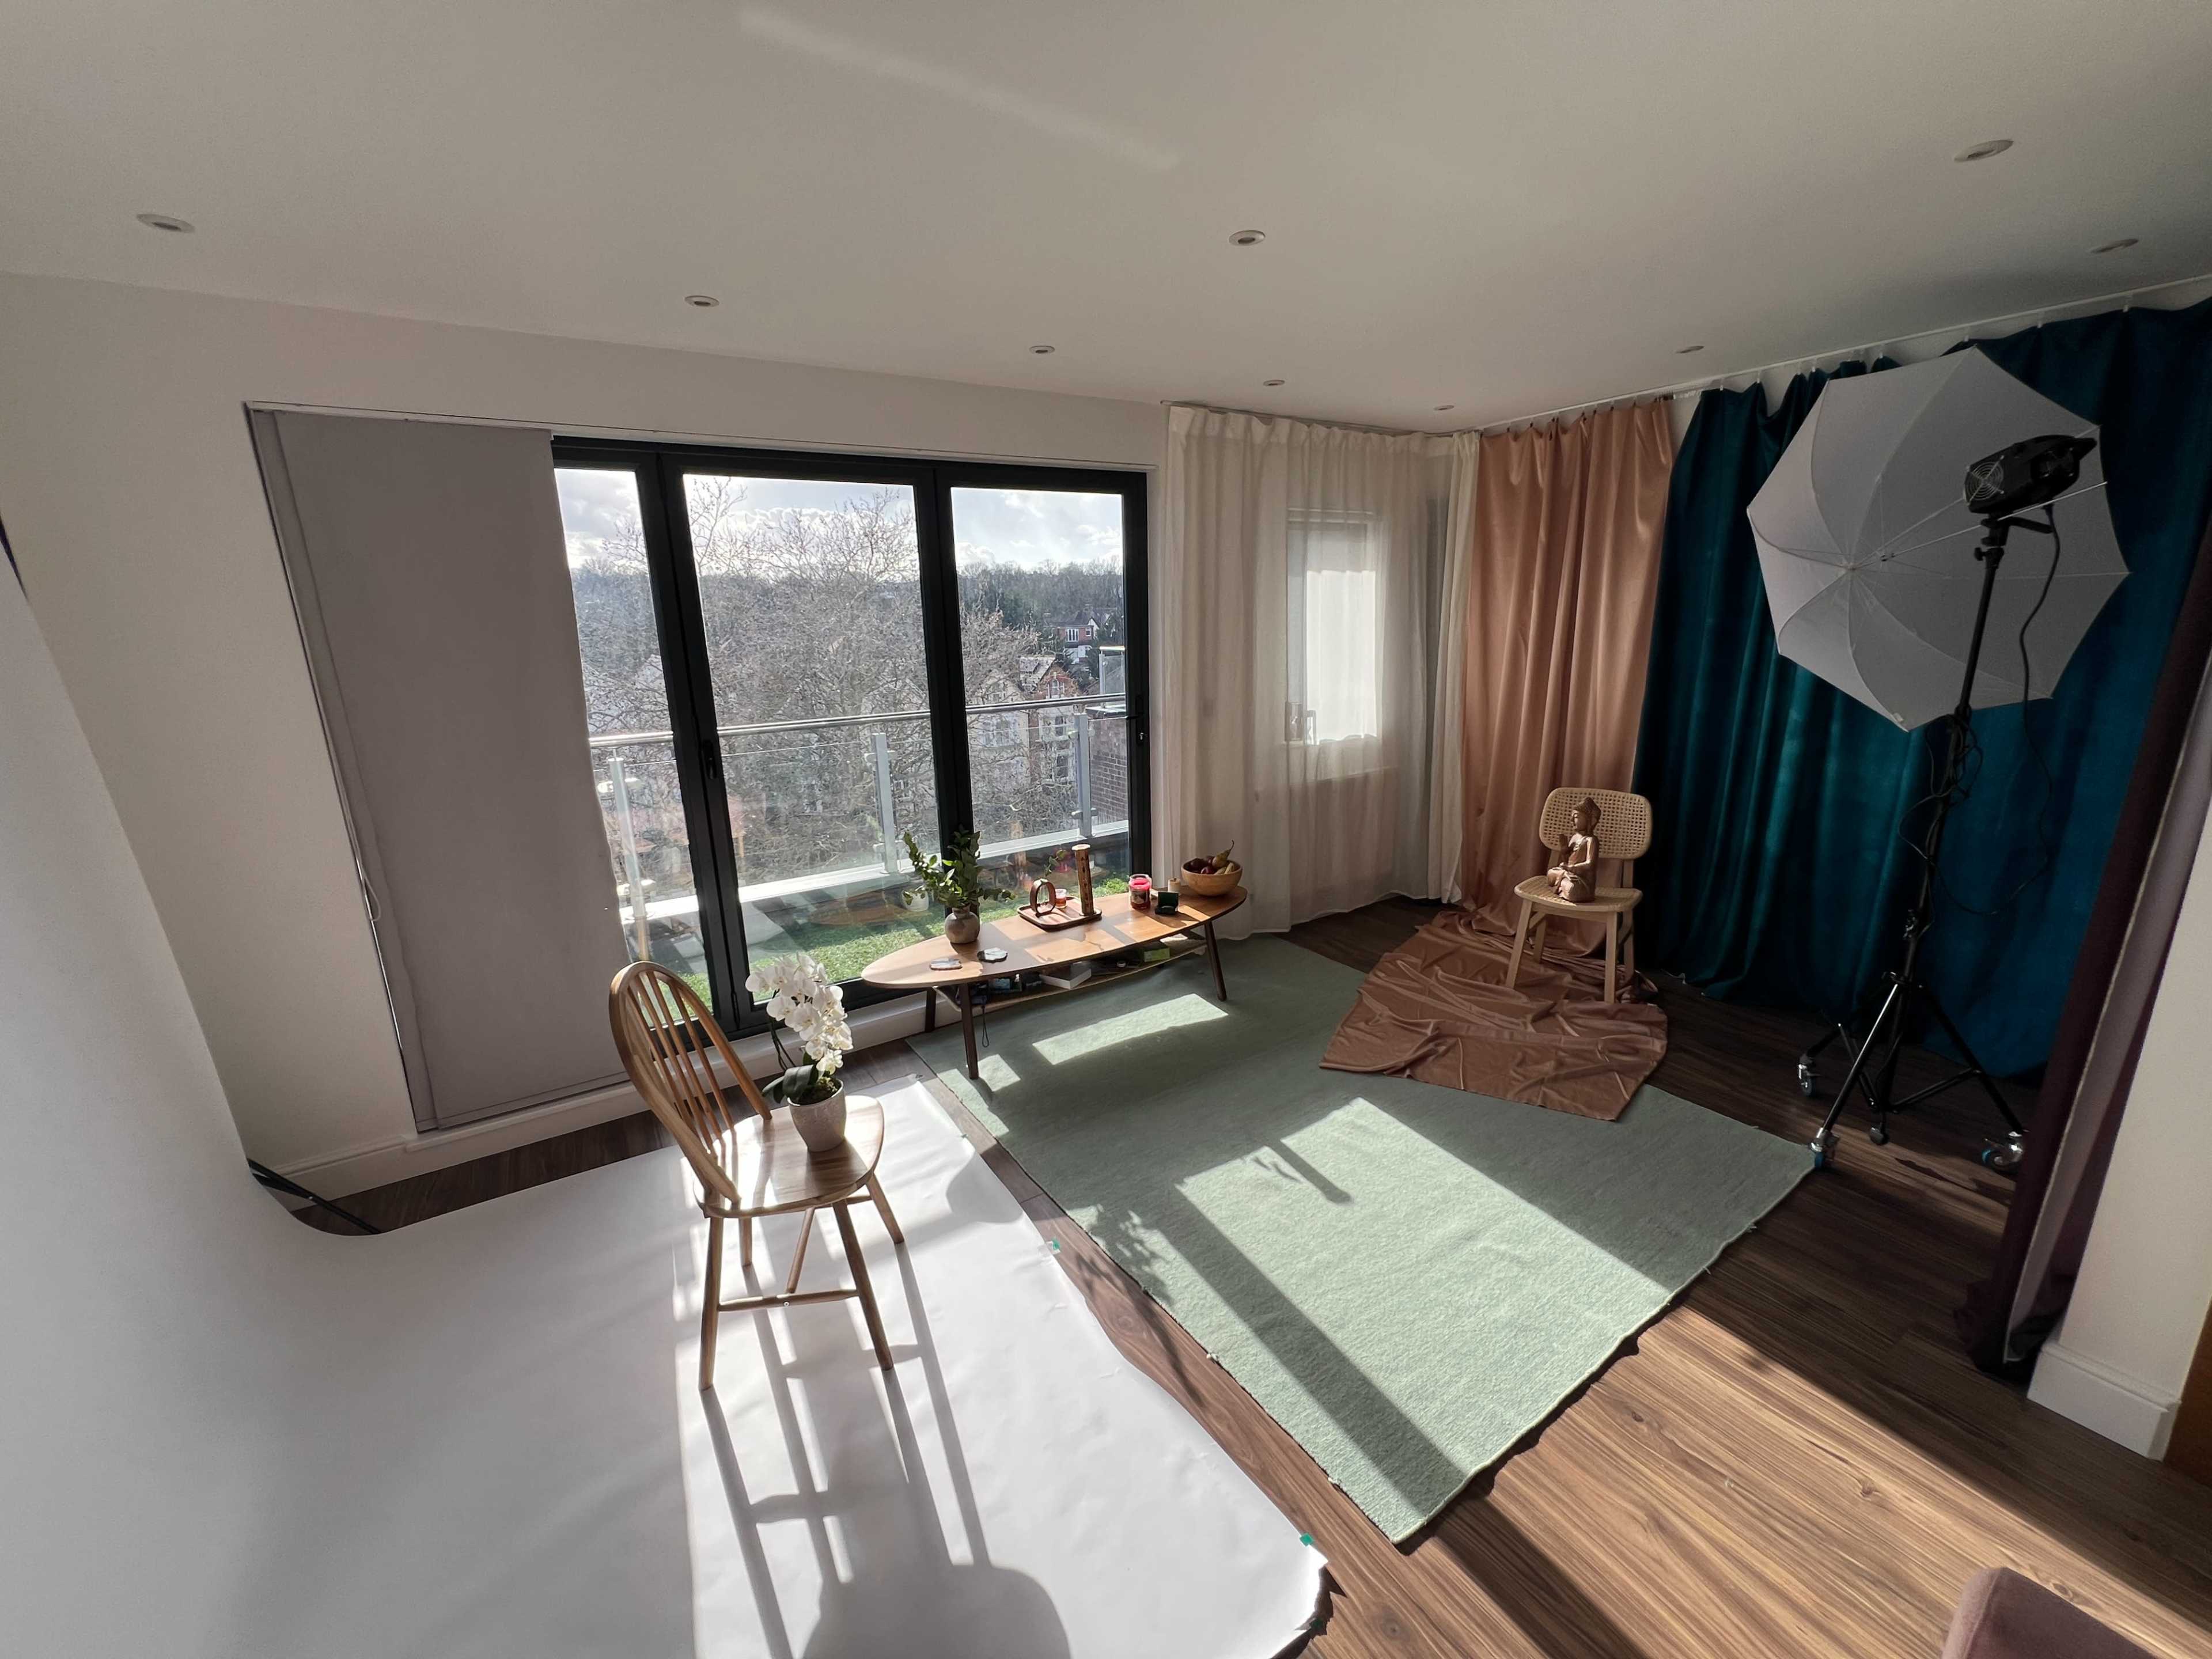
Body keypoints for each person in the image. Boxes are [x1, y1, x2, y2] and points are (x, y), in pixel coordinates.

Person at [1547, 797, 1601, 903]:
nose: (1572, 820)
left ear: (1590, 820)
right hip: (1570, 874)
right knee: (1551, 873)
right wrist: (1564, 850)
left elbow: (1590, 864)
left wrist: (1571, 868)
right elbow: (1568, 859)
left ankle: (1562, 884)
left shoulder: (1591, 840)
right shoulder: (1575, 837)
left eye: (1576, 817)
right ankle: (1563, 879)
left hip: (1582, 881)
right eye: (1572, 817)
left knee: (1572, 889)